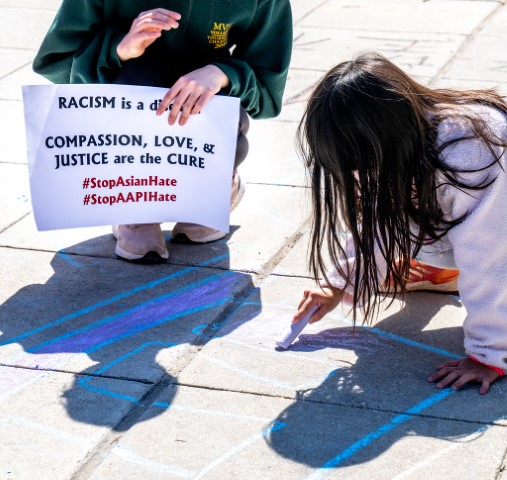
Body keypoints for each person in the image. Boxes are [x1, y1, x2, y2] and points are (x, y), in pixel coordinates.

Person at [292, 52, 507, 394]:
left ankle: (455, 281)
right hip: (483, 229)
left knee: (475, 252)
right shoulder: (396, 139)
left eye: (358, 163)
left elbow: (489, 256)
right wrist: (341, 282)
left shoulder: (471, 152)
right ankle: (443, 272)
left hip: (498, 234)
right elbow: (381, 217)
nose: (355, 175)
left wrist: (489, 353)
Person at [32, 1, 293, 261]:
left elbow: (267, 91)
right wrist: (119, 48)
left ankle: (214, 186)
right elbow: (55, 60)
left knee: (213, 100)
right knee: (138, 79)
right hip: (127, 119)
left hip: (205, 124)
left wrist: (222, 74)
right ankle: (134, 208)